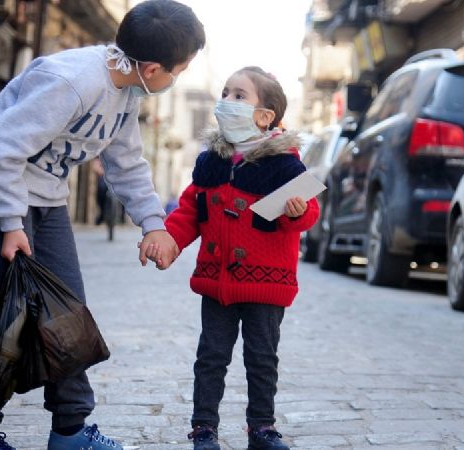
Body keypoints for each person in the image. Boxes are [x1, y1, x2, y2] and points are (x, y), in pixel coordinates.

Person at [0, 1, 204, 449]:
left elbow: (126, 164)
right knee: (1, 315)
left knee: (67, 315)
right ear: (151, 67)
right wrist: (11, 223)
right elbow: (3, 152)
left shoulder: (126, 93)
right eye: (178, 71)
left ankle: (69, 431)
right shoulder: (71, 82)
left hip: (45, 197)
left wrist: (152, 224)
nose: (176, 79)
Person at [144, 67, 319, 450]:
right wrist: (169, 241)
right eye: (226, 92)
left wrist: (295, 210)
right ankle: (203, 428)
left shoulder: (285, 165)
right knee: (211, 356)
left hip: (266, 283)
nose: (228, 100)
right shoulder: (212, 162)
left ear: (264, 116)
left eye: (240, 95)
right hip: (217, 280)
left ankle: (262, 428)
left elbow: (309, 213)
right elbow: (191, 210)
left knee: (261, 357)